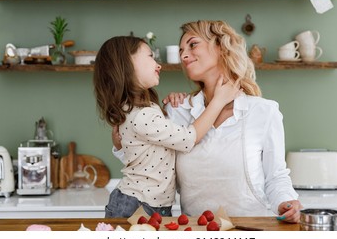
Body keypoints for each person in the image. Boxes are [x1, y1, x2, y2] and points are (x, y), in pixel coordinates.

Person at [113, 21, 302, 223]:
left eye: (192, 45)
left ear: (221, 46)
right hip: (197, 232)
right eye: (181, 50)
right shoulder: (177, 111)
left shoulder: (263, 111)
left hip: (251, 229)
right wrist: (120, 141)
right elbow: (149, 162)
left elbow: (276, 177)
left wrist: (286, 202)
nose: (184, 56)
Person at [93, 35, 240, 218]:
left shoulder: (141, 110)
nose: (158, 64)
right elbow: (188, 139)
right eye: (150, 56)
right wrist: (218, 101)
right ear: (127, 64)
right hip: (138, 206)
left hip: (149, 205)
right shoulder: (142, 115)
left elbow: (152, 147)